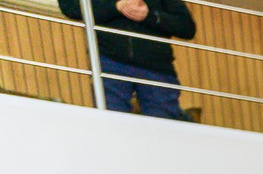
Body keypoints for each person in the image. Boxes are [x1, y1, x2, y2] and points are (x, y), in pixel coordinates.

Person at [59, 0, 196, 120]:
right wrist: (117, 6)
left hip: (155, 66)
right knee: (113, 123)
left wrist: (149, 15)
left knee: (163, 127)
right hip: (111, 61)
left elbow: (186, 27)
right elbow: (70, 6)